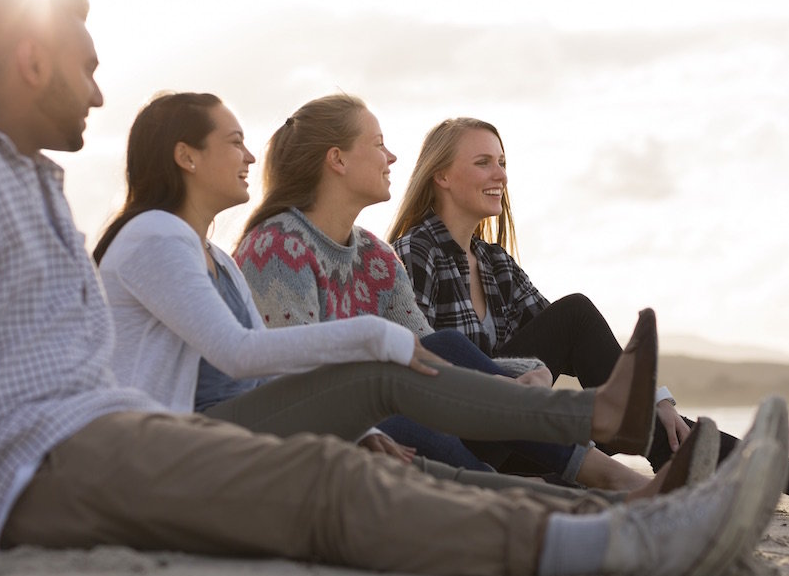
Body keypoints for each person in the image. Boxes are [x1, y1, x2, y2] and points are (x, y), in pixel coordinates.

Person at [0, 0, 789, 576]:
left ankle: (632, 510)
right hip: (34, 460)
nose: (99, 92)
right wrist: (373, 345)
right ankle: (625, 539)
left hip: (104, 433)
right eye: (85, 68)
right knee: (336, 478)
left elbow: (102, 374)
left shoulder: (36, 183)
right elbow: (242, 353)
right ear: (33, 62)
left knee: (374, 450)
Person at [93, 91, 665, 495]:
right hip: (204, 445)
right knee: (397, 394)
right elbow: (256, 360)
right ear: (337, 159)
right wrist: (373, 347)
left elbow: (422, 346)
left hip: (338, 418)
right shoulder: (262, 247)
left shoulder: (338, 252)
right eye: (380, 143)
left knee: (423, 377)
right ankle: (592, 438)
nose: (393, 157)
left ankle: (611, 481)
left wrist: (523, 372)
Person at [389, 116, 789, 516]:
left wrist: (658, 400)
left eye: (503, 161)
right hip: (459, 434)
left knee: (653, 413)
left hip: (522, 436)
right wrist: (519, 379)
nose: (499, 174)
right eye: (483, 161)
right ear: (440, 176)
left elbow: (576, 345)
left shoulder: (495, 262)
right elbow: (432, 361)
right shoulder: (415, 254)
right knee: (577, 319)